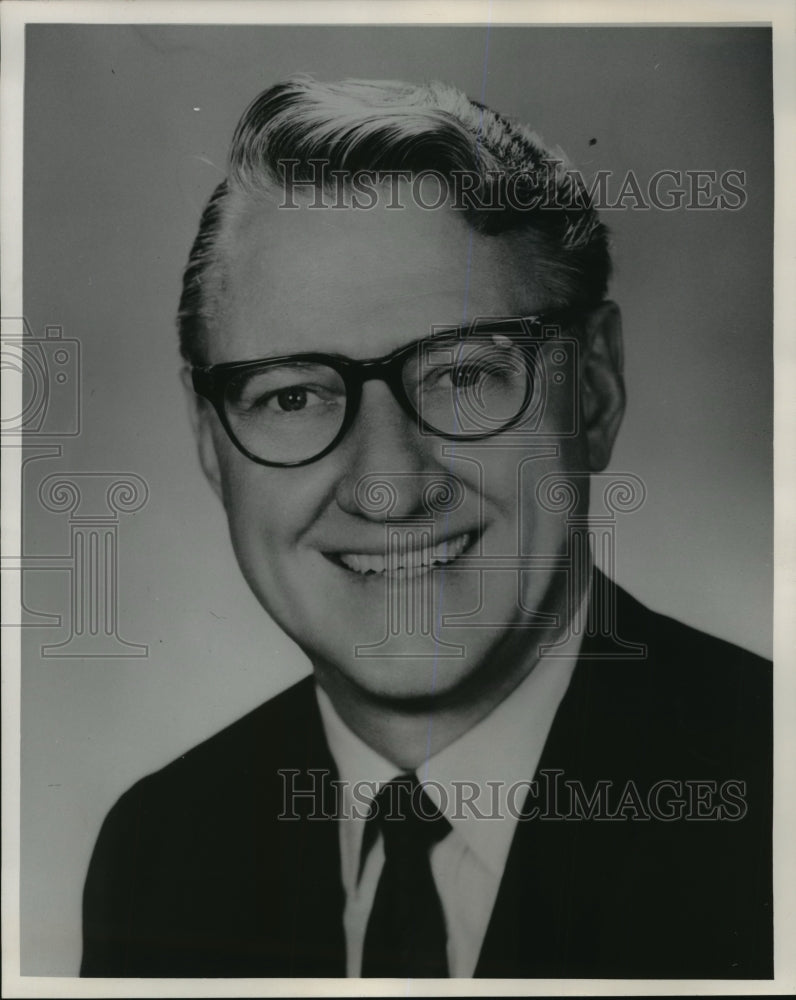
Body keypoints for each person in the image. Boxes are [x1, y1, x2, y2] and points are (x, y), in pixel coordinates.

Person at [80, 76, 772, 979]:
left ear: (593, 389)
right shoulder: (159, 853)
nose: (387, 489)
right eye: (291, 396)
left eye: (463, 376)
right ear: (211, 441)